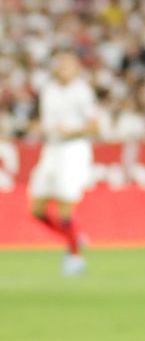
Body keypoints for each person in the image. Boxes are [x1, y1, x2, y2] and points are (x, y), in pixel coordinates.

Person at [28, 52, 98, 276]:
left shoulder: (82, 92)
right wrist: (38, 127)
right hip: (51, 148)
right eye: (61, 65)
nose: (63, 69)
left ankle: (74, 256)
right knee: (36, 209)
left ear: (76, 69)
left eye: (68, 65)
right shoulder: (48, 90)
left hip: (73, 149)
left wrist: (73, 130)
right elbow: (44, 119)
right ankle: (74, 236)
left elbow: (94, 126)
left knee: (65, 206)